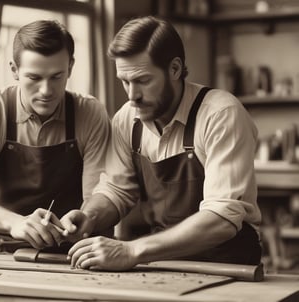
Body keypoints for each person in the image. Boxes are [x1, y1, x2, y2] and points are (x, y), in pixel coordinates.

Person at [61, 16, 262, 271]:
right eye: (125, 81)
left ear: (175, 69)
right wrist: (89, 216)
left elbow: (222, 218)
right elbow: (117, 190)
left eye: (143, 81)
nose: (132, 96)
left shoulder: (220, 114)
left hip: (227, 266)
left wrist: (133, 249)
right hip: (164, 264)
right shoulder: (127, 119)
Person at [0, 20, 111, 252]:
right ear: (14, 70)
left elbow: (100, 194)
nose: (46, 91)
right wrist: (15, 222)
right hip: (2, 253)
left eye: (56, 77)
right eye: (34, 78)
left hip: (71, 254)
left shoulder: (90, 113)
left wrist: (86, 217)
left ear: (70, 68)